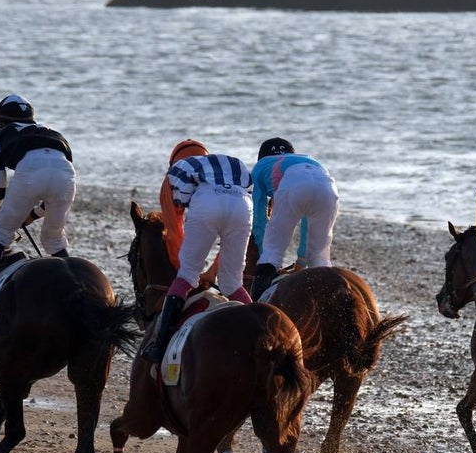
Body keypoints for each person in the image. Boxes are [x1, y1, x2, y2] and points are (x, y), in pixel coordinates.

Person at [0, 94, 75, 321]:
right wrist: (32, 215)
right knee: (53, 240)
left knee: (0, 235)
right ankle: (74, 289)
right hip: (67, 175)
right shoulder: (54, 133)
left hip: (30, 172)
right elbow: (54, 181)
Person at [142, 143, 255, 363]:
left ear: (173, 160)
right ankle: (258, 326)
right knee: (232, 282)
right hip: (243, 204)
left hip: (208, 202)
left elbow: (174, 229)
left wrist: (183, 271)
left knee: (186, 275)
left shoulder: (178, 170)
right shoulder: (224, 163)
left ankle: (159, 345)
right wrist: (213, 271)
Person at [248, 137, 340, 301]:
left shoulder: (260, 167)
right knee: (319, 258)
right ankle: (328, 304)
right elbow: (307, 223)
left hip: (293, 183)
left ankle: (255, 308)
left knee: (272, 252)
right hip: (328, 186)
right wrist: (302, 261)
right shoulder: (309, 159)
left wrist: (266, 254)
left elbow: (259, 219)